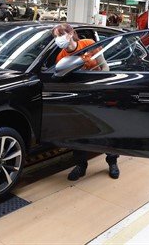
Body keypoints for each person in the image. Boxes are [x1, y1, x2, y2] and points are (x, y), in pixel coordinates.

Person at [51, 23, 119, 181]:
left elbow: (104, 67)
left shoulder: (88, 44)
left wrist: (102, 89)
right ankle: (81, 165)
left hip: (98, 94)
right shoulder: (61, 57)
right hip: (80, 97)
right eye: (55, 37)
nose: (58, 39)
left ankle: (112, 162)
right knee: (79, 132)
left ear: (70, 33)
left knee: (105, 130)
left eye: (60, 35)